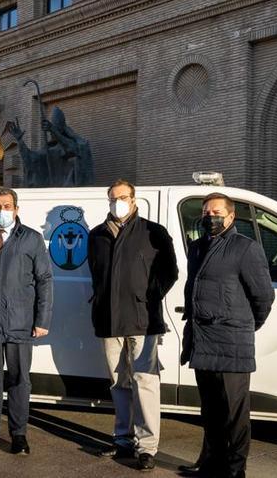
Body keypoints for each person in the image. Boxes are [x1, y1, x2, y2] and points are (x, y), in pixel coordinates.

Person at [181, 192, 275, 478]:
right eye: (206, 212)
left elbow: (263, 297)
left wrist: (243, 325)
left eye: (216, 212)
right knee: (210, 410)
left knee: (234, 414)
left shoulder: (245, 248)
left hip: (231, 341)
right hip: (202, 340)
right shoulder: (197, 248)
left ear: (231, 216)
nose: (210, 217)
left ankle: (234, 470)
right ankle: (210, 462)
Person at [87, 179, 178, 471]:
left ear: (134, 199)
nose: (118, 202)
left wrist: (147, 297)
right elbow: (96, 274)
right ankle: (123, 438)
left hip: (142, 319)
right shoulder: (96, 235)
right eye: (113, 198)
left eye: (123, 197)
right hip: (108, 320)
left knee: (145, 382)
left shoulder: (153, 232)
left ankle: (147, 446)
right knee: (118, 382)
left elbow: (170, 271)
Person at [0, 187, 53, 455]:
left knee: (19, 380)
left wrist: (42, 319)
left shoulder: (31, 239)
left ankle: (18, 434)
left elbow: (45, 281)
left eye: (6, 206)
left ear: (16, 209)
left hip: (20, 322)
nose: (1, 210)